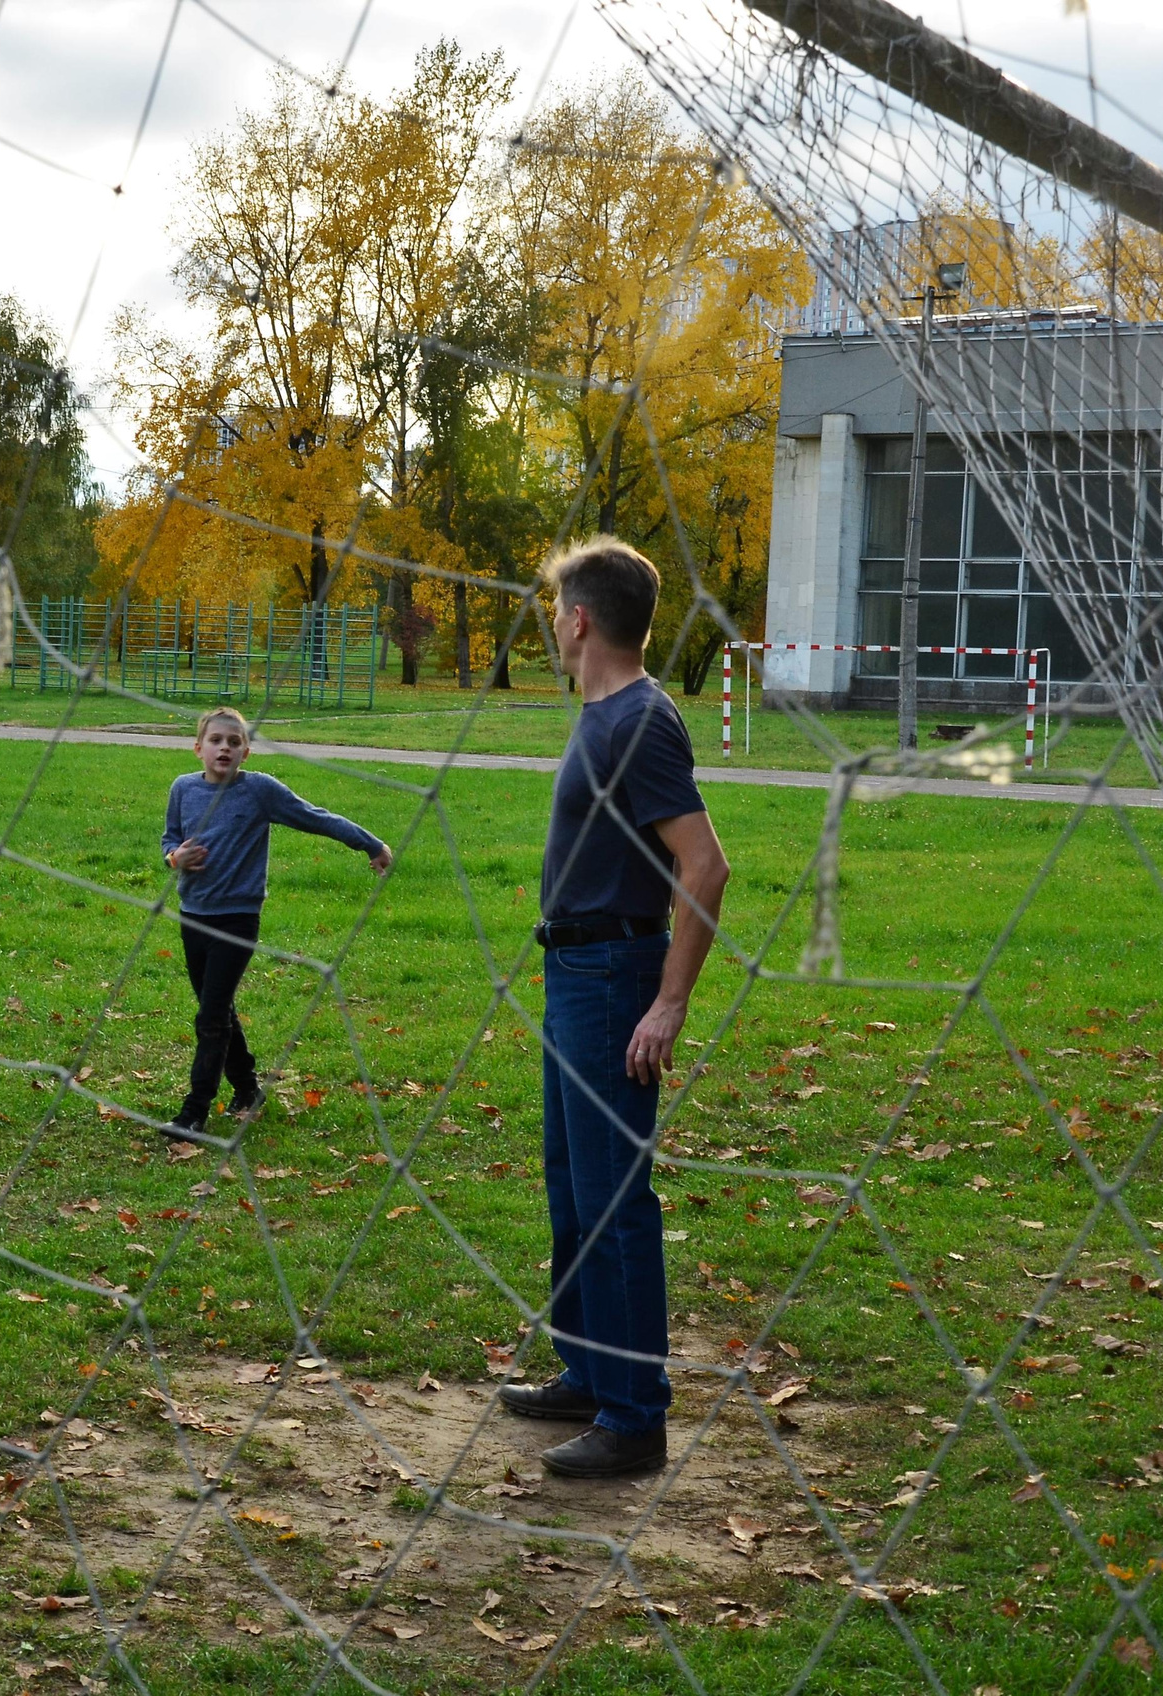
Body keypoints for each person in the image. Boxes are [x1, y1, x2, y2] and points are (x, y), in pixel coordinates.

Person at [498, 538, 730, 1481]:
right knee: (571, 1185)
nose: (554, 624)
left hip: (613, 980)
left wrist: (668, 1003)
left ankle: (635, 1417)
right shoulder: (604, 712)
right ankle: (590, 1371)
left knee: (612, 1200)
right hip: (574, 974)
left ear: (580, 619)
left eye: (558, 609)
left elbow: (706, 866)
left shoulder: (638, 719)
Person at [159, 707, 392, 1139]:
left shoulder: (259, 791)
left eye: (234, 742)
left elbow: (315, 816)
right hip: (193, 918)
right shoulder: (182, 789)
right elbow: (169, 839)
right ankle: (248, 1089)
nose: (224, 748)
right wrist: (176, 857)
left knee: (210, 1016)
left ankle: (194, 1112)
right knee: (219, 1008)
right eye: (216, 741)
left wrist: (370, 844)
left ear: (246, 752)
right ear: (198, 749)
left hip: (237, 920)